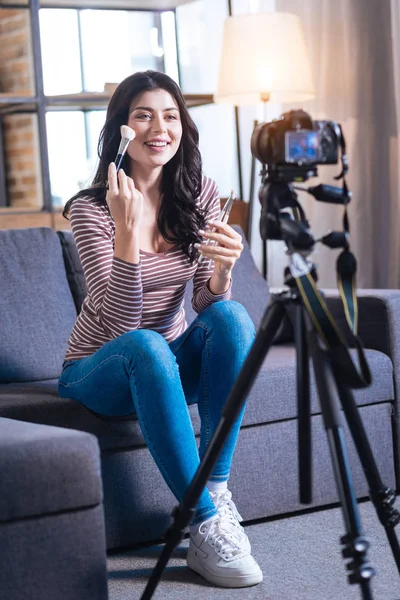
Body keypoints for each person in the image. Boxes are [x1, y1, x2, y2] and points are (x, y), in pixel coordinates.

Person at [58, 70, 262, 589]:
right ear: (122, 129)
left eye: (170, 115)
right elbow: (122, 324)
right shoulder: (90, 209)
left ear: (183, 127)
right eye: (143, 114)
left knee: (233, 317)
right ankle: (204, 519)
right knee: (146, 345)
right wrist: (126, 232)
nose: (159, 127)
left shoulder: (199, 193)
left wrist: (222, 270)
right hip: (98, 368)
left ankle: (216, 494)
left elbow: (205, 303)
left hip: (164, 364)